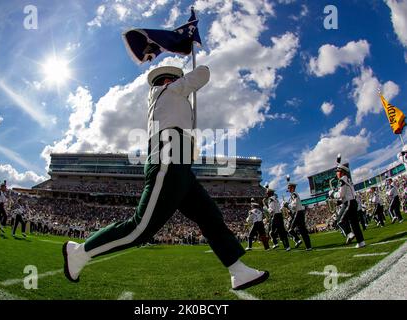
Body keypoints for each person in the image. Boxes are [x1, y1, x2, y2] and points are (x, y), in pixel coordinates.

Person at [62, 65, 269, 290]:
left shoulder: (171, 101)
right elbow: (203, 73)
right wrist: (189, 41)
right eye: (173, 80)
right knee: (140, 228)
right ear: (168, 82)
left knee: (211, 217)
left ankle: (238, 271)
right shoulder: (169, 91)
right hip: (169, 157)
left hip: (180, 163)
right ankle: (79, 253)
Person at [331, 156, 365, 248]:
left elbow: (341, 194)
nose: (336, 174)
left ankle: (349, 234)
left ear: (342, 172)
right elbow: (346, 194)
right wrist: (340, 202)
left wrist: (333, 194)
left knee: (339, 221)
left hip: (349, 203)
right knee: (354, 224)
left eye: (337, 172)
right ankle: (361, 242)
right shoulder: (346, 179)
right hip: (351, 201)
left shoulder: (342, 180)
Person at [286, 178, 312, 251]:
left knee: (291, 230)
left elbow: (294, 205)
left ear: (292, 188)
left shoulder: (294, 194)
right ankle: (308, 246)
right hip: (298, 213)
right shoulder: (293, 195)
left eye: (289, 187)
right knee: (303, 231)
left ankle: (298, 240)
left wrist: (287, 205)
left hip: (298, 213)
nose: (288, 189)